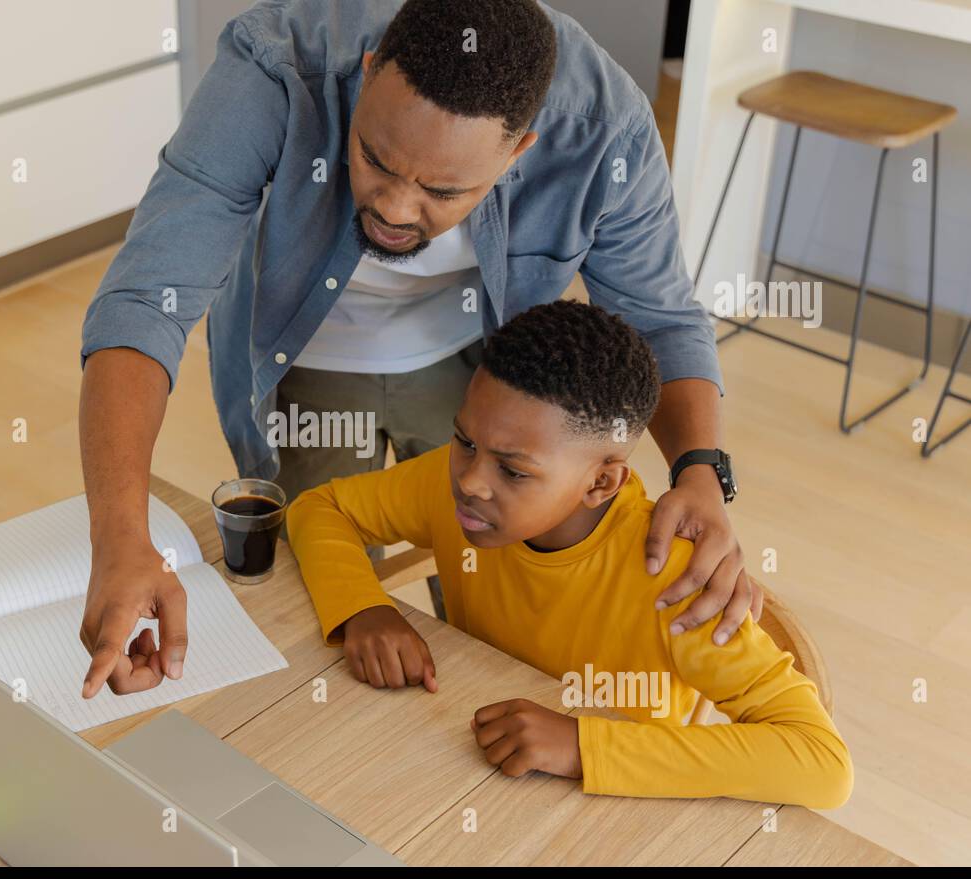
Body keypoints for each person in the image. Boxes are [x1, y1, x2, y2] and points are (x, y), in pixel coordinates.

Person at [77, 0, 757, 698]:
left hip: (479, 367)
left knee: (491, 589)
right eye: (375, 157)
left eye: (442, 189)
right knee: (322, 609)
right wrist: (121, 537)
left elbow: (660, 317)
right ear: (369, 73)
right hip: (310, 354)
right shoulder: (276, 65)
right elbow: (145, 300)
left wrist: (701, 471)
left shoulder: (605, 128)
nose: (397, 209)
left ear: (521, 148)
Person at [285, 300, 852, 808]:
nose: (470, 481)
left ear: (601, 483)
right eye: (464, 441)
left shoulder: (677, 582)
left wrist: (583, 746)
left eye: (512, 470)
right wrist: (363, 606)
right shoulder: (452, 482)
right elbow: (319, 509)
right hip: (468, 763)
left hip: (618, 810)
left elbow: (823, 764)